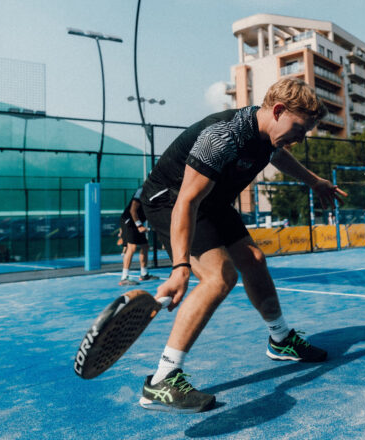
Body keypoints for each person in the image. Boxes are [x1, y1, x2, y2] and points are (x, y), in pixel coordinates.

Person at [138, 78, 346, 413]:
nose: (301, 137)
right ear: (277, 111)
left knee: (254, 259)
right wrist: (180, 268)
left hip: (213, 202)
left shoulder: (268, 134)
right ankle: (162, 380)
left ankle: (280, 340)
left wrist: (315, 181)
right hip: (172, 200)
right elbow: (187, 202)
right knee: (219, 277)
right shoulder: (224, 136)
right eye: (298, 128)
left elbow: (276, 155)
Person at [118, 188, 159, 286]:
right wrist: (139, 225)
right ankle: (124, 277)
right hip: (129, 220)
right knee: (132, 247)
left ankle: (144, 274)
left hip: (137, 221)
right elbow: (133, 210)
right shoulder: (142, 191)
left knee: (145, 246)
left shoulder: (156, 193)